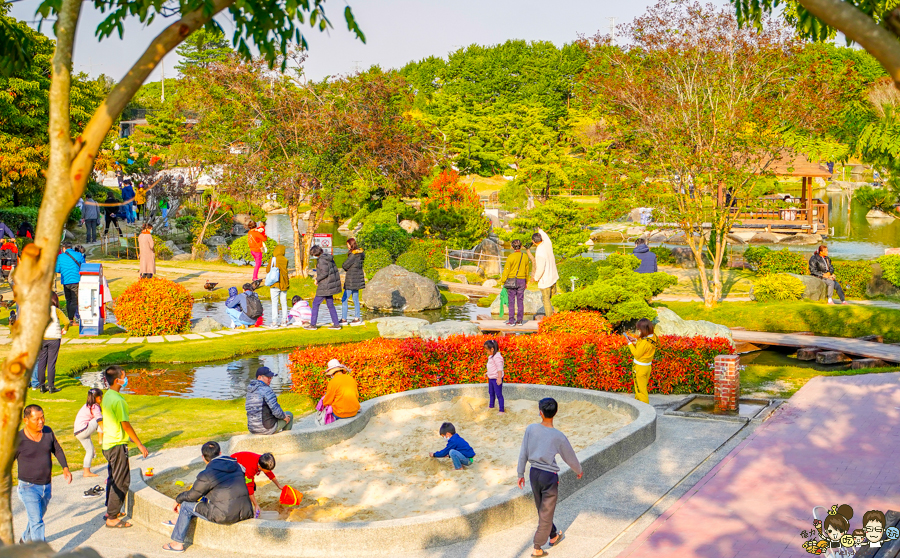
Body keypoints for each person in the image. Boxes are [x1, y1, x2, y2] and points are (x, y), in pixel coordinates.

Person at [517, 398, 584, 557]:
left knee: (542, 509)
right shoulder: (558, 436)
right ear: (555, 413)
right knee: (545, 512)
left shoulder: (531, 429)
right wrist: (578, 470)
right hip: (549, 477)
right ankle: (537, 547)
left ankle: (553, 535)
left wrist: (520, 473)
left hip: (534, 473)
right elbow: (570, 456)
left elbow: (523, 453)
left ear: (540, 412)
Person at [162, 441, 254, 552]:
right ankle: (179, 520)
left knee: (186, 505)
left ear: (203, 457)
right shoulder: (237, 465)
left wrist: (178, 499)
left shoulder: (207, 474)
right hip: (246, 512)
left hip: (224, 515)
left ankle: (177, 543)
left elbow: (192, 496)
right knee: (206, 495)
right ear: (220, 453)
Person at [14, 404, 72, 543]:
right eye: (37, 419)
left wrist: (65, 467)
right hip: (27, 487)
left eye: (42, 417)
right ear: (26, 420)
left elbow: (57, 449)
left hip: (46, 486)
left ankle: (25, 539)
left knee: (37, 518)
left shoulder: (47, 432)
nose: (41, 421)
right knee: (37, 522)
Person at [102, 365, 149, 528]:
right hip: (116, 445)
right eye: (124, 376)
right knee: (121, 480)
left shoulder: (107, 395)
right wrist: (140, 444)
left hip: (107, 444)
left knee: (113, 477)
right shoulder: (119, 401)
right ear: (117, 380)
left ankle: (110, 510)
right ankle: (112, 517)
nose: (126, 378)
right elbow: (126, 426)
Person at [36, 292, 69, 394]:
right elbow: (67, 321)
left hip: (42, 338)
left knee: (42, 362)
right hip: (54, 338)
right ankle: (51, 386)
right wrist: (65, 329)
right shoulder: (56, 310)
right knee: (51, 363)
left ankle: (41, 386)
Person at [231, 451, 282, 516]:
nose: (269, 471)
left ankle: (249, 501)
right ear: (259, 467)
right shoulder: (251, 468)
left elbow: (269, 473)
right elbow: (249, 486)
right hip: (233, 467)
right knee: (244, 489)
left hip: (243, 465)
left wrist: (278, 485)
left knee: (252, 487)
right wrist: (256, 505)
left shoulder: (263, 460)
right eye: (267, 470)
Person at [246, 366, 293, 435]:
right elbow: (276, 411)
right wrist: (284, 416)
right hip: (265, 428)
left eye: (271, 377)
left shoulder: (250, 391)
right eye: (268, 377)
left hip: (252, 428)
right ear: (259, 377)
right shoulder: (266, 390)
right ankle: (285, 441)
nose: (270, 379)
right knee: (289, 415)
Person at [306, 245, 342, 331]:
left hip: (325, 286)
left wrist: (317, 279)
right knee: (330, 305)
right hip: (329, 285)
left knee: (315, 304)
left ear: (315, 253)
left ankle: (313, 325)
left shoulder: (322, 260)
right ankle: (336, 324)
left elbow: (324, 273)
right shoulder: (328, 257)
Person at [625, 318, 658, 404]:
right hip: (647, 367)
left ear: (643, 330)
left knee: (641, 392)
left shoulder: (644, 343)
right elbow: (645, 348)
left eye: (639, 329)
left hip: (639, 368)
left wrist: (629, 343)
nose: (638, 331)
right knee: (641, 389)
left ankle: (645, 412)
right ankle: (638, 405)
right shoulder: (653, 337)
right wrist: (635, 340)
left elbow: (637, 354)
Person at [500, 239, 531, 326]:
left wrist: (503, 281)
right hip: (522, 281)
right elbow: (527, 270)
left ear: (512, 247)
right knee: (520, 301)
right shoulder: (525, 256)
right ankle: (520, 320)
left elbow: (506, 270)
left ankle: (511, 321)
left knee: (511, 301)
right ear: (521, 247)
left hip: (511, 281)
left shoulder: (510, 257)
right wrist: (526, 281)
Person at [74, 388, 103, 478]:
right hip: (84, 429)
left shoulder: (86, 406)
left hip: (78, 433)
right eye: (101, 397)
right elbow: (99, 420)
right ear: (97, 398)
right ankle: (100, 440)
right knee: (101, 418)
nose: (101, 399)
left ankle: (86, 472)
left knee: (90, 450)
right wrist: (105, 430)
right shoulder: (95, 406)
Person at [532, 229, 559, 318]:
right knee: (554, 297)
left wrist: (536, 278)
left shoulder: (539, 252)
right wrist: (540, 229)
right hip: (553, 276)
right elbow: (546, 236)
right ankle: (558, 314)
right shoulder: (547, 243)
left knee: (546, 299)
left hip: (545, 280)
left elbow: (540, 268)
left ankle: (550, 317)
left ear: (533, 242)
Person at [55, 243, 85, 321]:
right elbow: (84, 266)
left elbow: (57, 269)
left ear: (64, 248)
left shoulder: (60, 256)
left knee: (68, 300)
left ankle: (70, 318)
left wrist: (64, 270)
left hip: (66, 281)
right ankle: (72, 318)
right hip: (76, 280)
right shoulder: (78, 255)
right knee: (75, 300)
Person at [340, 238, 365, 324]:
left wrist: (347, 269)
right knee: (355, 299)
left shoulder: (353, 255)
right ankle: (357, 318)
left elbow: (344, 265)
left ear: (351, 245)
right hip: (358, 279)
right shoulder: (361, 254)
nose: (347, 247)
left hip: (351, 280)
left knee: (344, 299)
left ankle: (344, 319)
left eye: (348, 245)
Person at [266, 245, 290, 327]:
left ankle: (274, 322)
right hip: (284, 284)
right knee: (284, 303)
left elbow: (267, 270)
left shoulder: (273, 259)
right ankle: (284, 321)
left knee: (274, 303)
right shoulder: (285, 260)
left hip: (274, 283)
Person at [484, 340, 505, 413]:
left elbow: (499, 368)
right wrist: (487, 373)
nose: (486, 352)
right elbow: (492, 367)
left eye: (487, 350)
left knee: (498, 394)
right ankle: (491, 405)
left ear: (492, 349)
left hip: (496, 378)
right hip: (491, 378)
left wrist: (499, 378)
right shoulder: (491, 357)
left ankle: (501, 410)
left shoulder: (497, 357)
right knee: (491, 392)